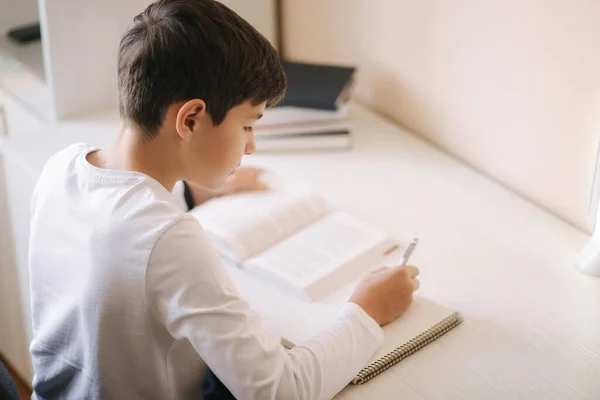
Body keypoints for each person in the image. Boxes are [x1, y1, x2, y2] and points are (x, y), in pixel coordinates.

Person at [28, 0, 420, 399]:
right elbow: (281, 389)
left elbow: (122, 230)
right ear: (191, 119)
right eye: (248, 125)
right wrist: (366, 310)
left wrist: (192, 189)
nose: (251, 146)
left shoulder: (61, 168)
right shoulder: (167, 239)